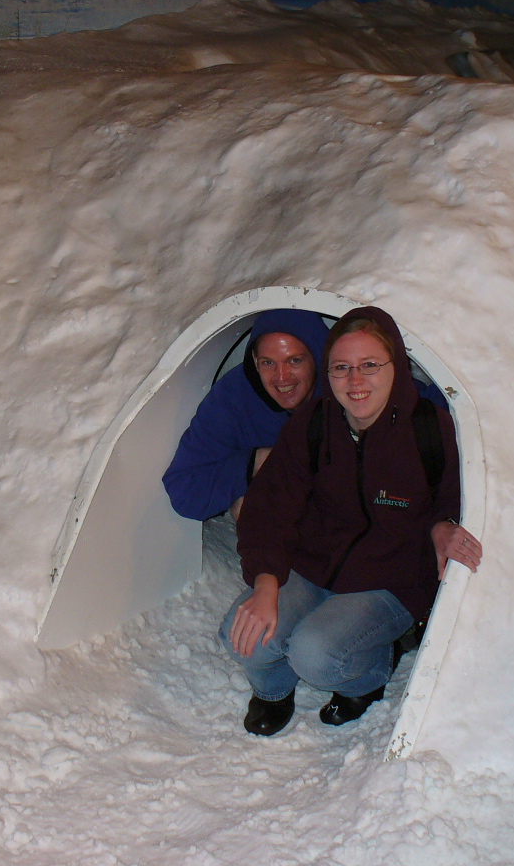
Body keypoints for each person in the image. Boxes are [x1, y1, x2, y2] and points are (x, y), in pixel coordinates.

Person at [220, 306, 482, 736]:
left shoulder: (428, 429)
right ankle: (273, 689)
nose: (355, 381)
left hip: (389, 579)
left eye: (370, 365)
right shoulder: (314, 423)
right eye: (341, 367)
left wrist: (443, 523)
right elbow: (271, 505)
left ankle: (370, 673)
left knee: (316, 654)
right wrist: (266, 582)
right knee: (243, 634)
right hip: (312, 565)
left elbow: (455, 496)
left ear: (396, 365)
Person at [163, 309, 330, 522]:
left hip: (344, 517)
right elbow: (184, 491)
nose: (281, 377)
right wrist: (257, 462)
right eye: (268, 362)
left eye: (294, 361)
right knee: (252, 506)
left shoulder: (344, 390)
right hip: (285, 525)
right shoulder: (235, 397)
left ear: (317, 357)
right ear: (255, 360)